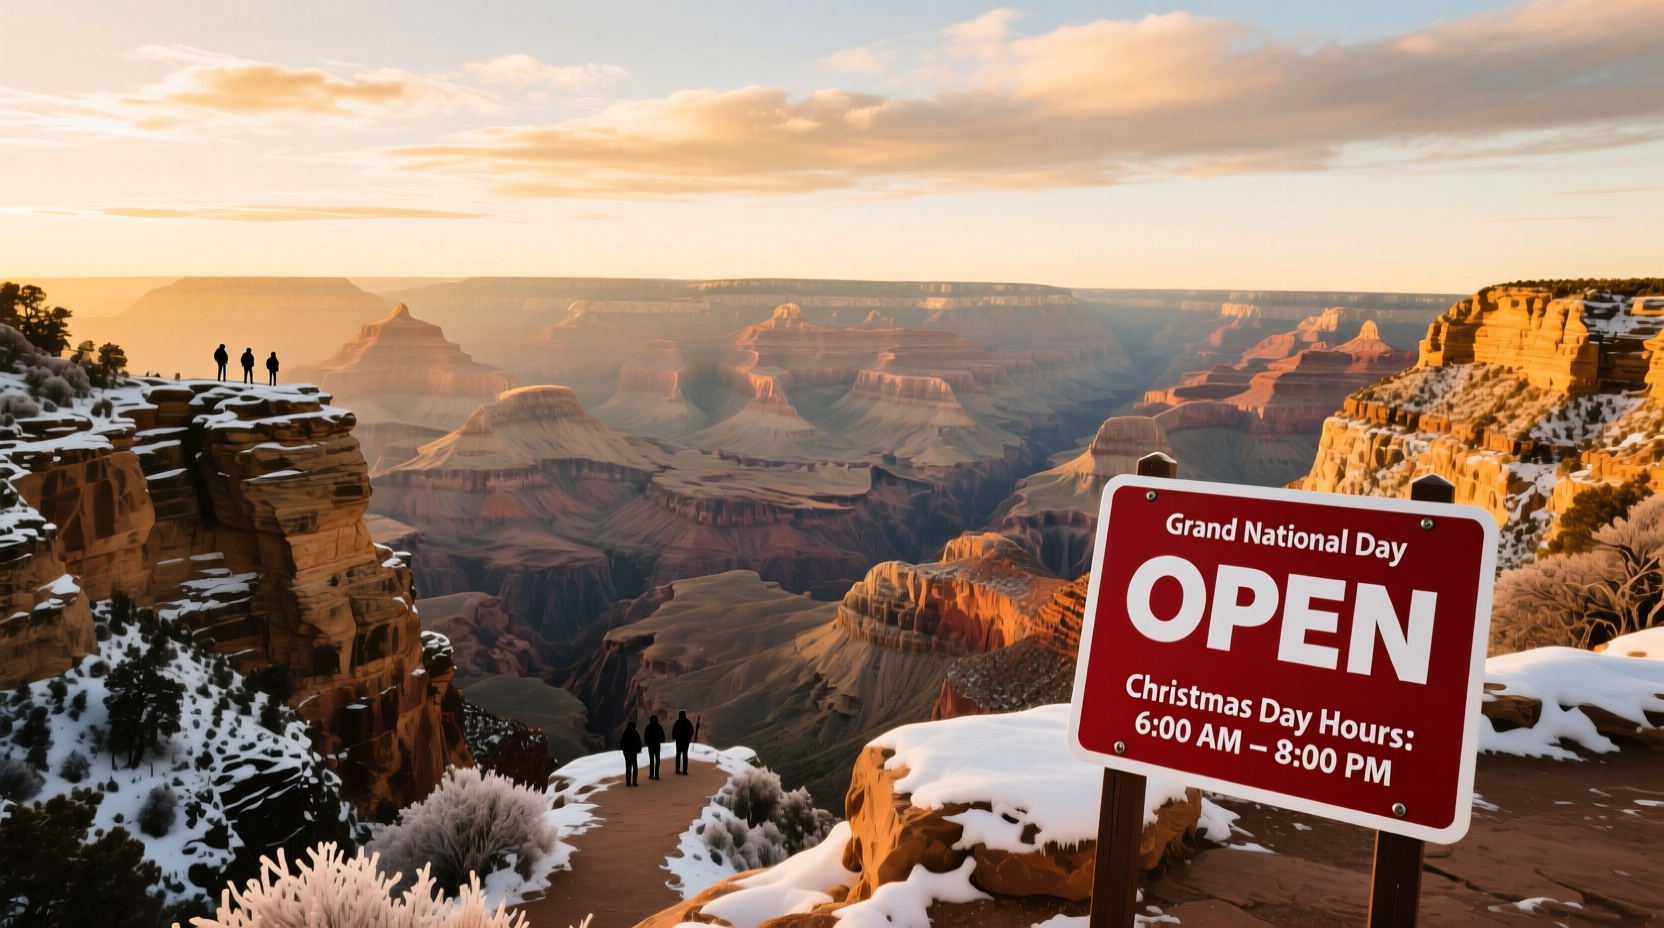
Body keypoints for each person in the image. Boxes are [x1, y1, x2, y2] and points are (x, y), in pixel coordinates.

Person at [619, 720, 642, 787]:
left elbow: (622, 743)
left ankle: (628, 782)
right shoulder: (635, 733)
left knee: (628, 767)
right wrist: (638, 750)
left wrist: (624, 750)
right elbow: (639, 742)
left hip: (627, 753)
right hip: (634, 753)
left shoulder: (625, 733)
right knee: (635, 767)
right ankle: (634, 782)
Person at [672, 710, 695, 775]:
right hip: (686, 741)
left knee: (678, 755)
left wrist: (674, 737)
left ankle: (677, 770)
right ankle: (684, 771)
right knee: (685, 755)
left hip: (679, 741)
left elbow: (673, 731)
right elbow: (692, 731)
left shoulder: (677, 722)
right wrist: (689, 736)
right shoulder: (687, 722)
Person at [644, 715, 665, 781]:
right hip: (657, 745)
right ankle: (656, 775)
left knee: (651, 760)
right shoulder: (659, 727)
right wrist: (660, 740)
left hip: (650, 746)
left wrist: (648, 743)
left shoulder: (648, 727)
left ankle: (651, 775)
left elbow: (645, 736)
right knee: (657, 759)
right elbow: (662, 736)